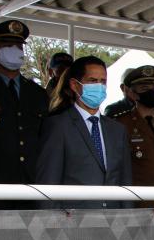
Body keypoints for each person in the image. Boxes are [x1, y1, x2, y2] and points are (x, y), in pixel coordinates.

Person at [0, 20, 49, 210]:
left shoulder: (37, 93)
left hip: (33, 186)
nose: (14, 50)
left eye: (18, 45)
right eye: (6, 45)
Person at [36, 56, 132, 209]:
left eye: (103, 81)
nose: (99, 86)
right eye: (93, 81)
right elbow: (48, 183)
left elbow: (125, 182)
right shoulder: (58, 126)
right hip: (73, 224)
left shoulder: (117, 130)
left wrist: (128, 220)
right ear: (75, 85)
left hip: (115, 223)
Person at [111, 65, 154, 207]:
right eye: (144, 88)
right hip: (139, 203)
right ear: (133, 93)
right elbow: (119, 167)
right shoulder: (122, 123)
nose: (151, 92)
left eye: (153, 87)